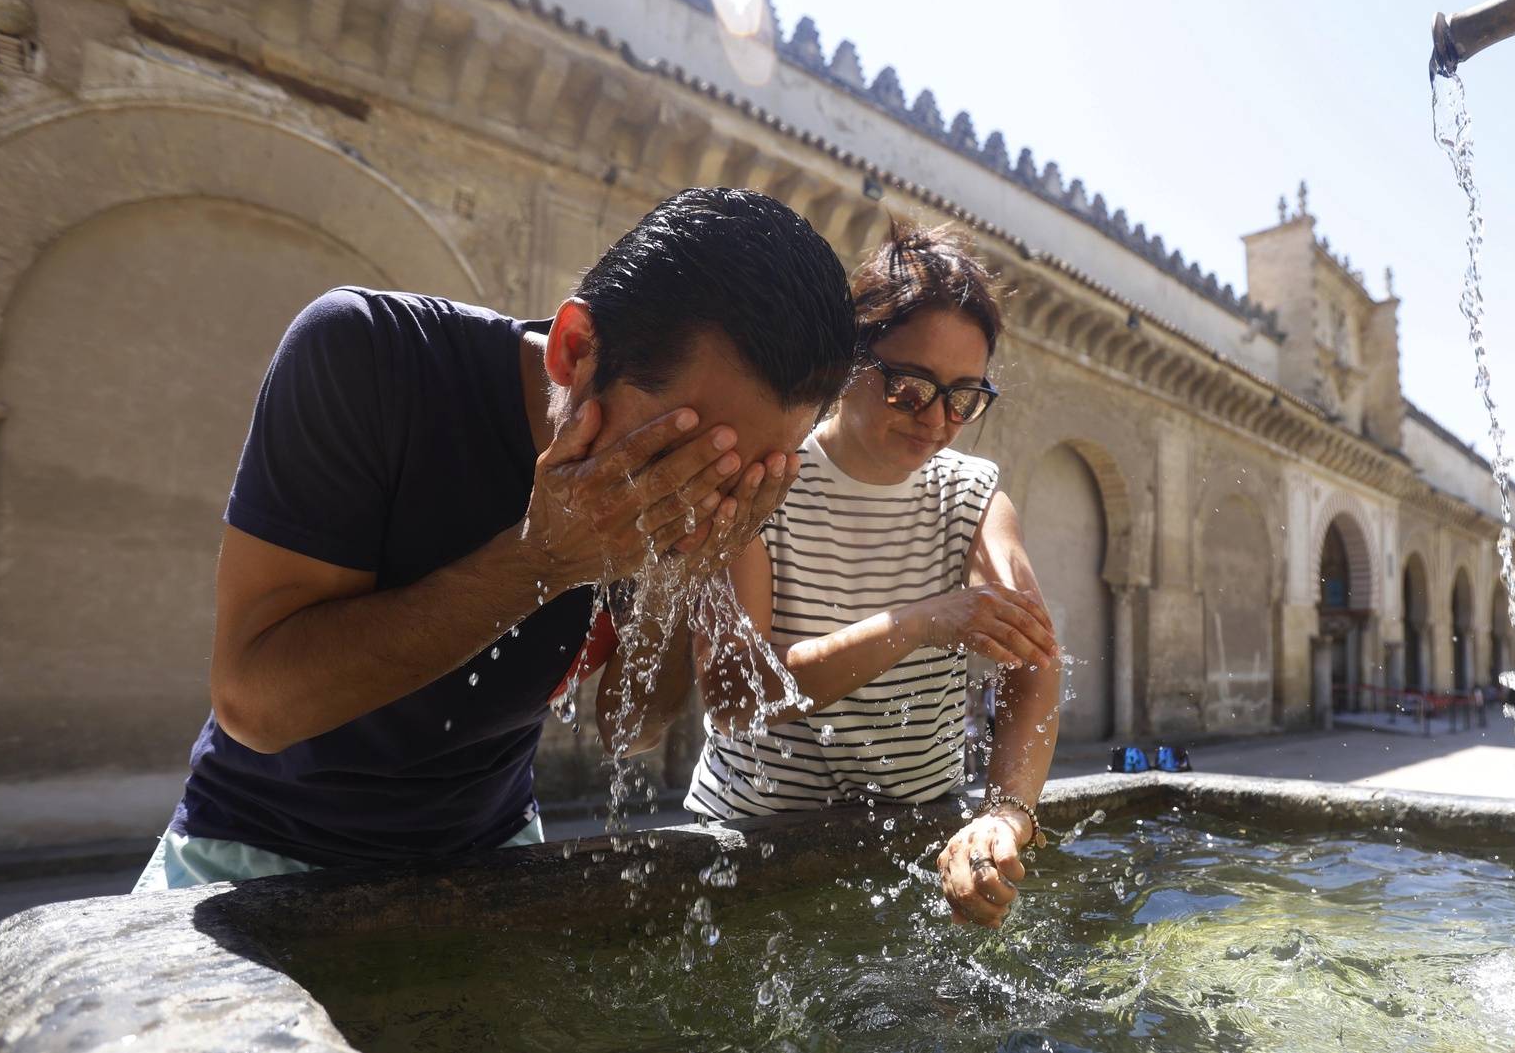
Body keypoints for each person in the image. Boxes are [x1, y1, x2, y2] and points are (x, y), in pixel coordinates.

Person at [133, 188, 857, 890]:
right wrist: (541, 558)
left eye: (744, 476)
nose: (696, 495)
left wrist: (688, 572)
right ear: (575, 350)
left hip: (493, 854)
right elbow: (254, 703)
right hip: (257, 849)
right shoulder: (372, 357)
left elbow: (630, 727)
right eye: (679, 458)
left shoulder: (681, 490)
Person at [687, 221, 1062, 930]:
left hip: (914, 844)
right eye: (910, 386)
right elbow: (732, 692)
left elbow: (1034, 663)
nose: (938, 419)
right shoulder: (768, 475)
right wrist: (918, 621)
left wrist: (1006, 814)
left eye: (964, 397)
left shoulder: (972, 495)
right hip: (751, 843)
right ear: (848, 356)